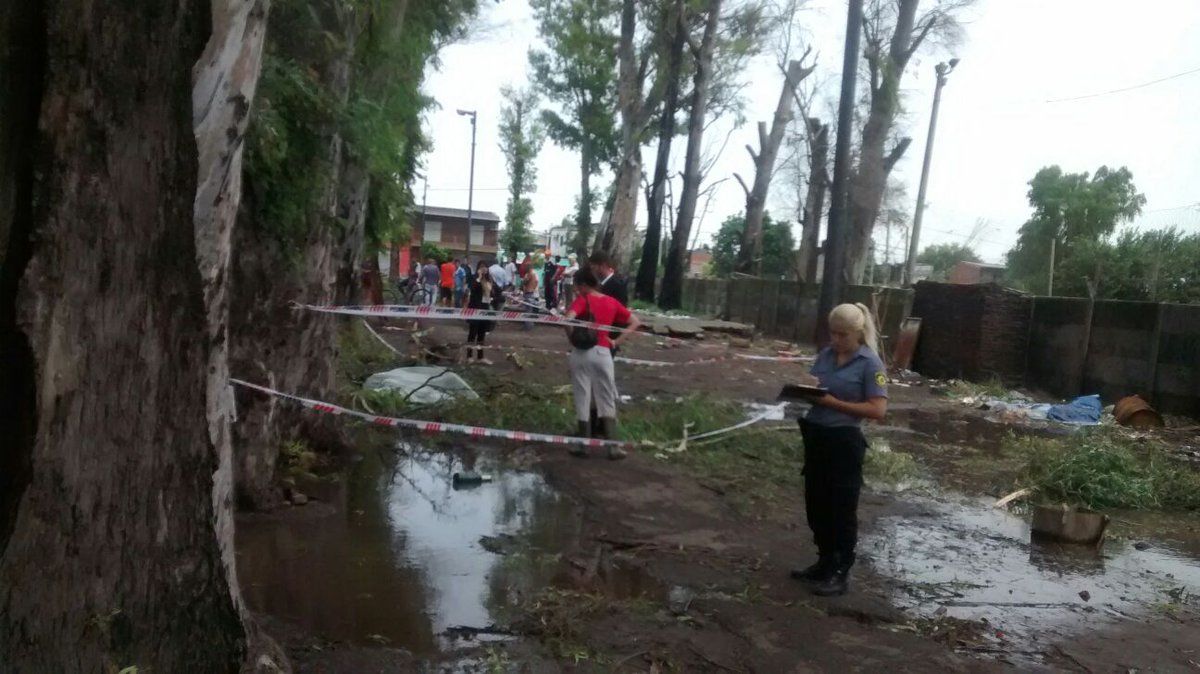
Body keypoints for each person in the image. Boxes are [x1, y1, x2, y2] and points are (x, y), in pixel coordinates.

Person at [791, 303, 888, 597]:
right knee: (816, 503)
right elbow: (814, 384)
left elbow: (877, 409)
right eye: (832, 333)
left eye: (842, 335)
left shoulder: (870, 364)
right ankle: (823, 561)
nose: (836, 340)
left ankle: (840, 571)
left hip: (844, 440)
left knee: (841, 507)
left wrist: (834, 404)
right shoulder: (825, 355)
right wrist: (802, 391)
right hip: (816, 434)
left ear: (857, 333)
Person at [563, 267, 641, 460]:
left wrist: (572, 337)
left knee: (583, 396)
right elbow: (635, 322)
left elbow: (567, 319)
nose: (576, 290)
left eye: (577, 286)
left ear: (582, 285)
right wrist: (616, 341)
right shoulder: (611, 301)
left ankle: (584, 446)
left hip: (581, 353)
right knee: (606, 397)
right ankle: (613, 447)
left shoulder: (583, 299)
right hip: (604, 352)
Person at [463, 262, 502, 364]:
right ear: (478, 269)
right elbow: (472, 287)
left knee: (482, 334)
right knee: (472, 333)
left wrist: (494, 297)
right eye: (481, 267)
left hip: (485, 308)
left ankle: (480, 357)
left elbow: (497, 291)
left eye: (485, 267)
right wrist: (479, 277)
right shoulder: (474, 278)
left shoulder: (490, 279)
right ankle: (469, 356)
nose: (484, 269)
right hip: (475, 309)